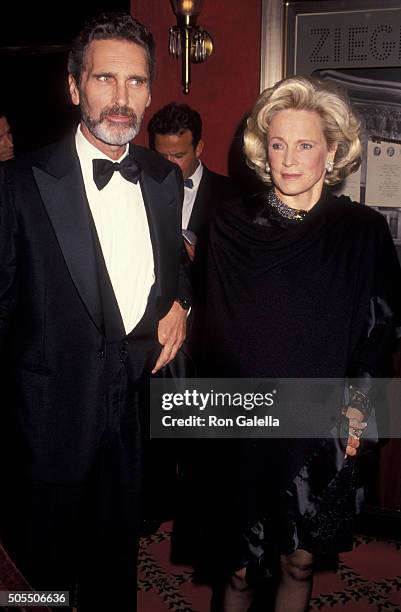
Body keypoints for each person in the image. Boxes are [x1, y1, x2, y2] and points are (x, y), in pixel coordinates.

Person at [180, 76, 401, 612]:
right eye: (278, 144)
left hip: (322, 419)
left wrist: (361, 407)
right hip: (244, 422)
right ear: (263, 152)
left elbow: (380, 328)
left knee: (299, 561)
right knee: (236, 571)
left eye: (305, 145)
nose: (289, 159)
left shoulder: (363, 231)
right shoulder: (231, 222)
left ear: (331, 153)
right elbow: (216, 328)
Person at [0, 12, 190, 612]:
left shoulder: (162, 178)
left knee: (115, 575)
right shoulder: (16, 185)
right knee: (40, 586)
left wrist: (181, 301)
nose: (120, 98)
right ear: (74, 86)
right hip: (45, 425)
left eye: (135, 82)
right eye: (105, 80)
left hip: (132, 416)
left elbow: (173, 267)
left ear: (151, 91)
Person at [148, 102, 234, 261]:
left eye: (178, 156)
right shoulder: (144, 189)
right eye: (162, 157)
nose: (168, 166)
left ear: (198, 148)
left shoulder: (230, 195)